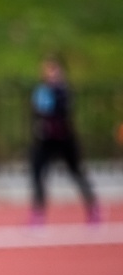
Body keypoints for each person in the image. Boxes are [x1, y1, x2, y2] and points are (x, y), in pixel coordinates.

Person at [30, 54, 101, 225]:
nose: (50, 74)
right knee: (38, 173)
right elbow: (36, 114)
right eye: (47, 71)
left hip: (64, 139)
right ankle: (38, 213)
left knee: (76, 172)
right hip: (45, 141)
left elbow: (61, 111)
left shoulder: (63, 91)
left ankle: (92, 208)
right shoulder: (41, 90)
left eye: (53, 70)